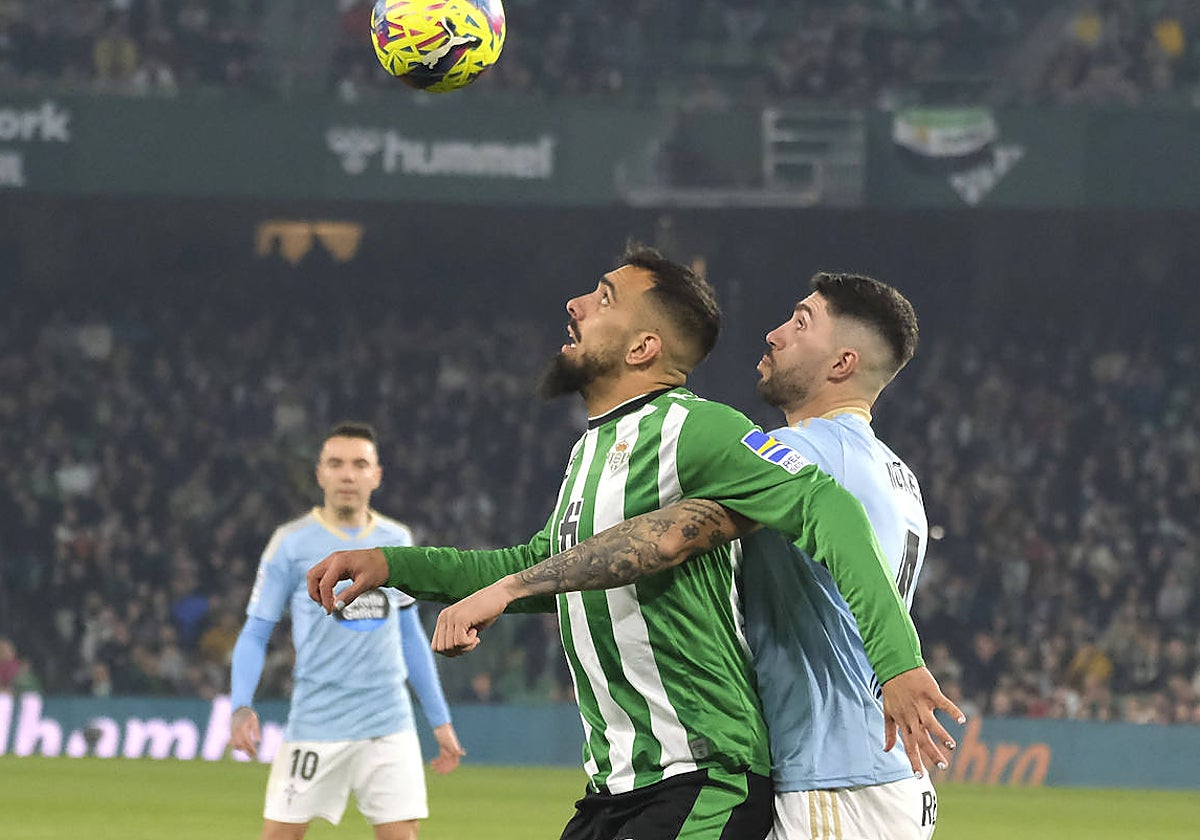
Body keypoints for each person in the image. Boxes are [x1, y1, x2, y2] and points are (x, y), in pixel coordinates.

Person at [307, 246, 958, 840]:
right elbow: (547, 564)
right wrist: (394, 563)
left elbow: (674, 536)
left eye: (800, 321)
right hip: (659, 778)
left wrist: (899, 662)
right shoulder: (896, 474)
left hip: (811, 770)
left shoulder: (759, 446)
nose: (775, 332)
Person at [228, 421, 465, 840]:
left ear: (377, 474)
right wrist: (241, 705)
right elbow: (256, 631)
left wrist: (439, 721)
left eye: (359, 464)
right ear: (319, 473)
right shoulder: (290, 543)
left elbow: (410, 637)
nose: (347, 474)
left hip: (388, 721)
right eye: (336, 464)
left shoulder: (396, 539)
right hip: (316, 721)